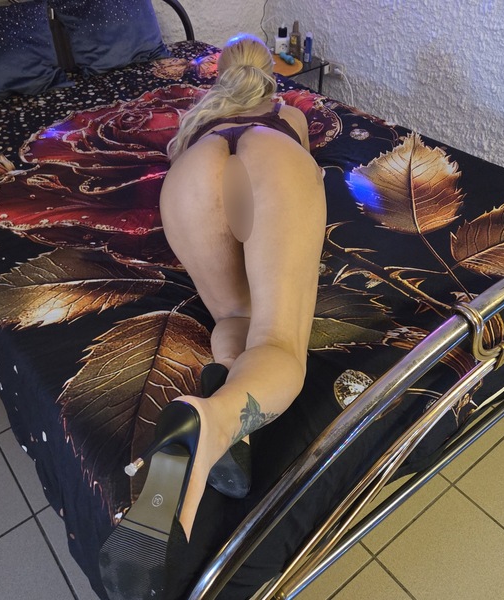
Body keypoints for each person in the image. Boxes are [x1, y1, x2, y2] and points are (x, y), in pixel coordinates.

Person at [99, 33, 326, 599]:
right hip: (272, 160)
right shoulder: (290, 117)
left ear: (217, 74)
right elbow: (310, 174)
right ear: (270, 73)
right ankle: (214, 422)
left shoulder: (195, 122)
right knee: (278, 341)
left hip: (195, 175)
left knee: (233, 313)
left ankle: (226, 404)